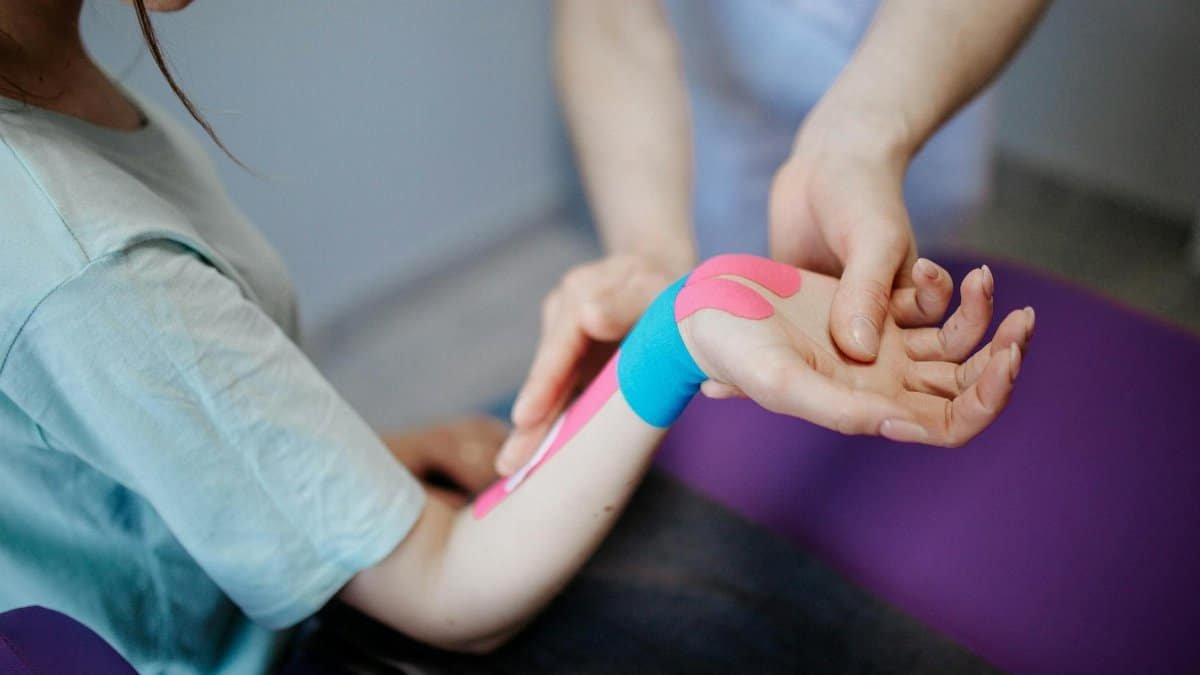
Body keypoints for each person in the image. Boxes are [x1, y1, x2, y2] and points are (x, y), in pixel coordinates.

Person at [0, 1, 1032, 673]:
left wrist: (328, 467)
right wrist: (683, 331)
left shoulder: (51, 110)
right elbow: (455, 597)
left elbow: (88, 448)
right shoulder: (85, 257)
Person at [499, 0, 1046, 471]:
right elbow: (609, 17)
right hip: (712, 78)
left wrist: (861, 140)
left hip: (931, 49)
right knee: (743, 347)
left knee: (892, 286)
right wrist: (651, 251)